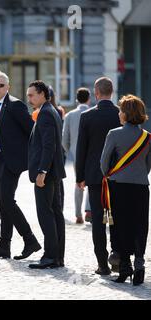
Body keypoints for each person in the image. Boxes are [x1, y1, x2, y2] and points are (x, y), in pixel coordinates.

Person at [0, 72, 41, 261]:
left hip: (11, 161)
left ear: (8, 87)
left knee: (6, 199)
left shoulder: (15, 105)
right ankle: (4, 246)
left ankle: (30, 240)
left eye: (0, 85)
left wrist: (26, 155)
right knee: (1, 200)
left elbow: (32, 131)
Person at [100, 94, 150, 286]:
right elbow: (148, 166)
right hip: (140, 187)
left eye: (121, 110)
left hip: (118, 187)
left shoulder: (114, 133)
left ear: (126, 114)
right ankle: (139, 265)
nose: (119, 113)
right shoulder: (147, 137)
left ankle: (124, 267)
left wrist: (111, 174)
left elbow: (104, 163)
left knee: (120, 226)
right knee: (139, 226)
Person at [76, 77, 121, 275]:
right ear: (112, 92)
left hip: (95, 176)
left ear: (96, 93)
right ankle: (117, 255)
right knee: (116, 218)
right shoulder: (121, 115)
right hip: (118, 175)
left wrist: (80, 177)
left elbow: (81, 150)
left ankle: (102, 264)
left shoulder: (87, 116)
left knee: (98, 221)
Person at [27, 80, 66, 269]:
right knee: (56, 213)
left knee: (46, 213)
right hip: (53, 172)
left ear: (42, 94)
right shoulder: (51, 111)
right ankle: (57, 256)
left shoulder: (46, 114)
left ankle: (51, 256)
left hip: (47, 173)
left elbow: (48, 146)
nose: (29, 98)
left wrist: (42, 171)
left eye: (32, 95)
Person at [62, 88, 92, 224]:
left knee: (78, 183)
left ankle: (78, 214)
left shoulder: (69, 115)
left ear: (76, 99)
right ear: (89, 99)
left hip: (76, 155)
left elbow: (64, 139)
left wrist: (70, 152)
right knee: (92, 183)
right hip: (92, 154)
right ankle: (89, 210)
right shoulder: (92, 113)